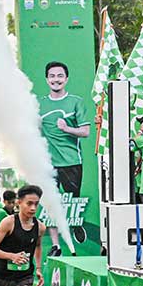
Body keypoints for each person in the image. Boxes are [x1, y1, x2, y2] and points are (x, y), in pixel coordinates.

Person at [39, 61, 90, 252]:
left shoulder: (76, 101)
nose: (56, 80)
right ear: (47, 79)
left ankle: (75, 224)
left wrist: (66, 128)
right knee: (51, 203)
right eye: (52, 76)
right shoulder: (40, 104)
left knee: (71, 201)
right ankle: (55, 245)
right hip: (48, 164)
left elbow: (85, 132)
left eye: (60, 76)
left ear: (66, 79)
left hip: (71, 161)